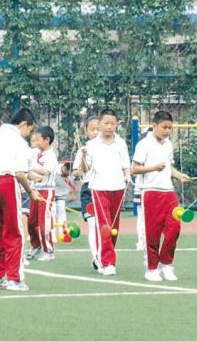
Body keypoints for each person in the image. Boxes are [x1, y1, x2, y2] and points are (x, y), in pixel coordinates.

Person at [0, 107, 43, 291]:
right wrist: (31, 192)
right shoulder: (18, 141)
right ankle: (14, 278)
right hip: (7, 183)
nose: (28, 134)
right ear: (23, 124)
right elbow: (20, 173)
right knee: (14, 231)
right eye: (29, 130)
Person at [132, 110, 189, 282]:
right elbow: (135, 169)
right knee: (152, 233)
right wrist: (153, 167)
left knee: (174, 228)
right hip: (150, 192)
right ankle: (152, 268)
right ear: (154, 125)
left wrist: (179, 175)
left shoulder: (168, 144)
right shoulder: (143, 145)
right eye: (164, 127)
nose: (167, 131)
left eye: (170, 128)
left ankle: (166, 264)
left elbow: (168, 167)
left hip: (168, 192)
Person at [81, 108, 131, 276]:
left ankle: (102, 256)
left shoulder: (121, 143)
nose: (109, 126)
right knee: (104, 225)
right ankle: (108, 262)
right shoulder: (91, 145)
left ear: (117, 124)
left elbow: (126, 165)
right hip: (99, 188)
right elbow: (85, 169)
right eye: (106, 123)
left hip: (118, 188)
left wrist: (127, 176)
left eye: (112, 123)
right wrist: (83, 157)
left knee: (114, 227)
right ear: (100, 124)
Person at [26, 126, 59, 261]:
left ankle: (49, 251)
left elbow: (45, 171)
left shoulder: (51, 156)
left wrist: (30, 168)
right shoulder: (35, 153)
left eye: (38, 139)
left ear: (47, 140)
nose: (36, 142)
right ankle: (36, 246)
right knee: (31, 221)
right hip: (34, 190)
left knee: (44, 223)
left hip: (46, 191)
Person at [73, 116, 100, 270]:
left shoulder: (110, 147)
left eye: (98, 129)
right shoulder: (83, 150)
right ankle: (96, 257)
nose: (96, 132)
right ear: (86, 131)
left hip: (104, 189)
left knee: (104, 226)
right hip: (88, 189)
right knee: (92, 224)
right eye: (92, 129)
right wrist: (83, 158)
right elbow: (77, 172)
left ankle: (103, 255)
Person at [53, 162, 73, 242]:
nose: (67, 174)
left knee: (62, 214)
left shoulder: (71, 174)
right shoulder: (55, 169)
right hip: (52, 193)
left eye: (69, 173)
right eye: (66, 172)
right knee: (52, 214)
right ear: (64, 167)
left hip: (61, 195)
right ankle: (52, 236)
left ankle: (62, 234)